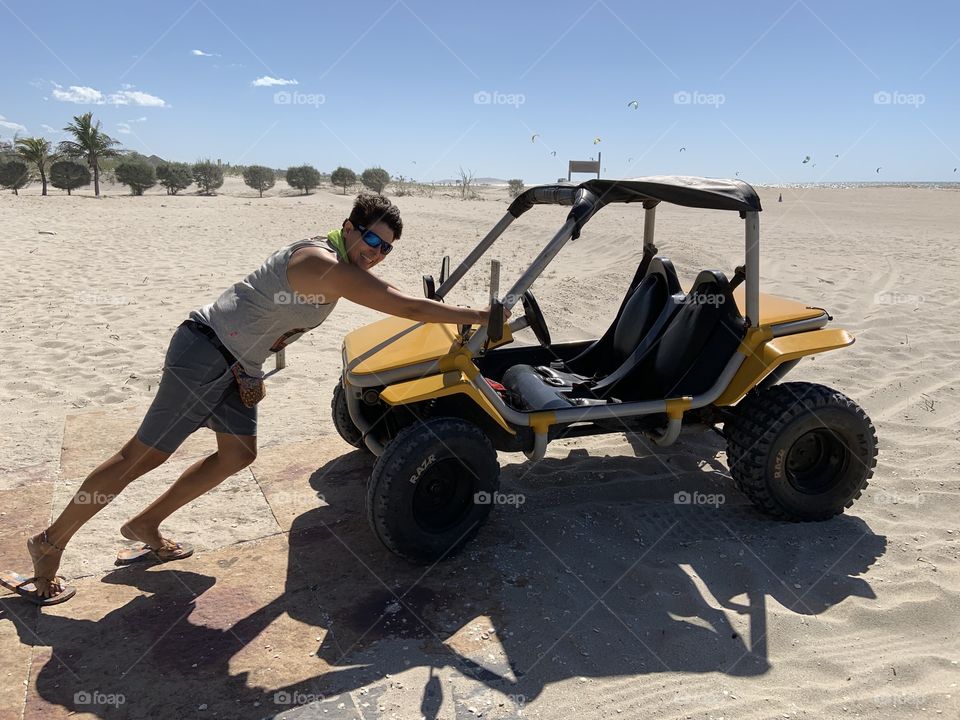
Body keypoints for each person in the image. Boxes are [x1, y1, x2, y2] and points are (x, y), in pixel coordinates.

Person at [1, 193, 501, 604]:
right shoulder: (319, 262)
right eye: (371, 239)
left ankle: (145, 523)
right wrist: (477, 316)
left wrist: (260, 356)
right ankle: (48, 544)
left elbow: (319, 304)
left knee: (237, 454)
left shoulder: (340, 263)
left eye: (385, 248)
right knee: (141, 457)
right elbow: (400, 302)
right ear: (348, 227)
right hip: (203, 352)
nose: (375, 251)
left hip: (236, 362)